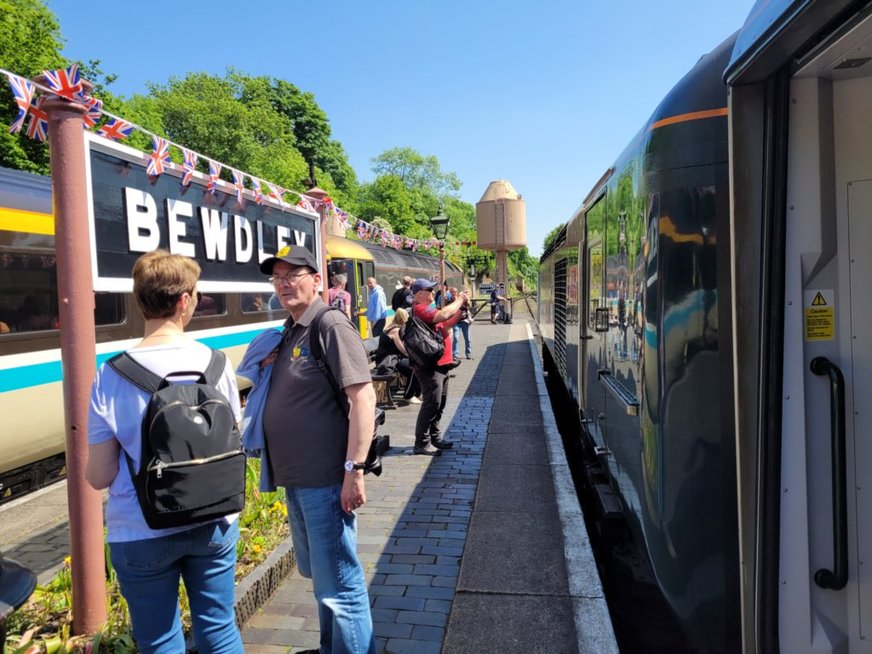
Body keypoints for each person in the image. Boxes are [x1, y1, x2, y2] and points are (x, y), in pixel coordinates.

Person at [86, 250, 244, 654]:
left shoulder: (111, 374)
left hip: (140, 529)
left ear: (140, 302)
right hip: (214, 521)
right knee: (220, 630)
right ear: (184, 300)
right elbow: (233, 436)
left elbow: (99, 475)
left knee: (158, 640)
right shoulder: (217, 364)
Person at [259, 244, 377, 654]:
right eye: (277, 277)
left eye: (294, 274)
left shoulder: (329, 325)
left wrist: (354, 470)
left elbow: (363, 398)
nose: (284, 283)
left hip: (327, 478)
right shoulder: (294, 327)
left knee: (341, 585)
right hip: (300, 477)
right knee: (325, 582)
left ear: (316, 279)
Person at [410, 278, 469, 455]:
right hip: (430, 365)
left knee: (440, 403)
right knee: (431, 403)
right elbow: (443, 316)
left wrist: (462, 308)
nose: (432, 292)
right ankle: (421, 443)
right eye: (429, 289)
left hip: (441, 364)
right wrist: (459, 300)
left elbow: (447, 323)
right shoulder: (420, 308)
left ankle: (434, 437)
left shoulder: (429, 308)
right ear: (419, 293)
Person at [374, 308, 420, 402]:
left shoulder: (390, 327)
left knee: (416, 366)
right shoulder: (395, 330)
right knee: (415, 367)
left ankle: (416, 392)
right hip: (388, 361)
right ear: (403, 319)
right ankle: (409, 395)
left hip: (392, 359)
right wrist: (415, 356)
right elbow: (403, 350)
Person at [453, 292, 473, 360]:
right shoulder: (455, 303)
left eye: (461, 296)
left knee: (467, 338)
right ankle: (455, 355)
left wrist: (470, 319)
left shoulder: (466, 302)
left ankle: (468, 353)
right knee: (456, 338)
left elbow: (468, 309)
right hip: (456, 322)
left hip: (464, 321)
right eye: (459, 295)